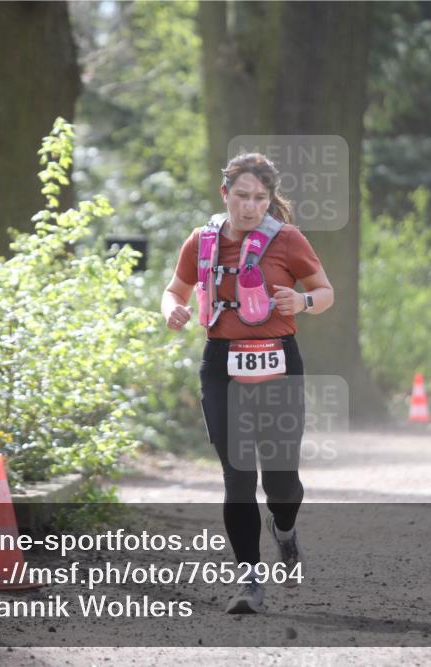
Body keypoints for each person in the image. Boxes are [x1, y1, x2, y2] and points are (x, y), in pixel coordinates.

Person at [161, 153, 334, 613]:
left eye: (260, 198)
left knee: (281, 483)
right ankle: (250, 582)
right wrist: (171, 310)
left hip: (279, 362)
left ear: (269, 200)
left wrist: (302, 300)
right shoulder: (201, 241)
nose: (250, 207)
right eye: (242, 196)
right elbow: (174, 290)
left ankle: (285, 530)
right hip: (221, 365)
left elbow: (325, 292)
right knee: (237, 478)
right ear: (225, 195)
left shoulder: (288, 240)